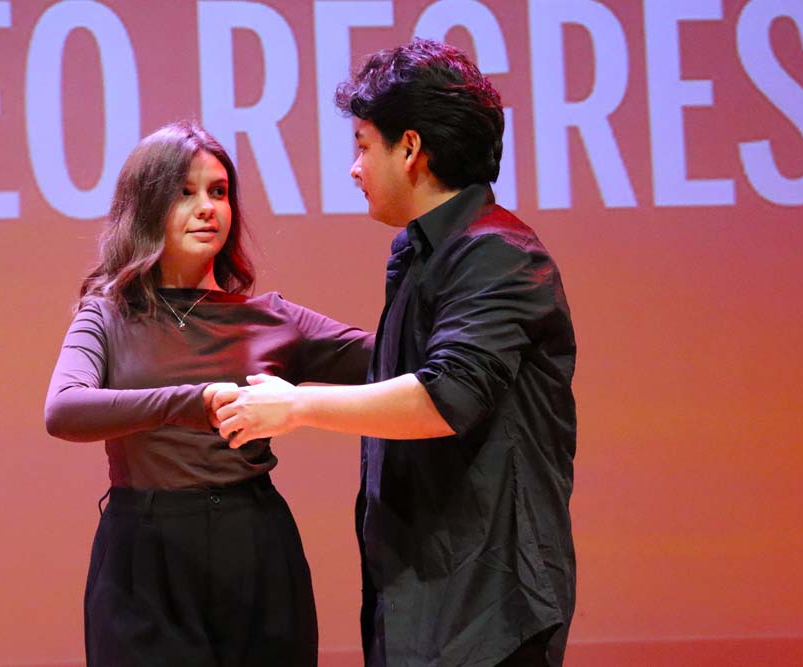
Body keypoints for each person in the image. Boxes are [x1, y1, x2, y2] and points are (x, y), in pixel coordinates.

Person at [214, 39, 577, 667]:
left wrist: (298, 407)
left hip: (490, 610)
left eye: (362, 146)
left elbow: (445, 397)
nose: (354, 169)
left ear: (410, 148)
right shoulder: (424, 252)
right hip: (423, 598)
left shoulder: (497, 253)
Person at [44, 120, 372, 666]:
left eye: (218, 192)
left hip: (254, 547)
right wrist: (189, 403)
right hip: (143, 558)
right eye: (185, 193)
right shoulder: (108, 315)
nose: (207, 208)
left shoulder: (272, 318)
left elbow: (394, 355)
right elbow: (64, 410)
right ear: (145, 206)